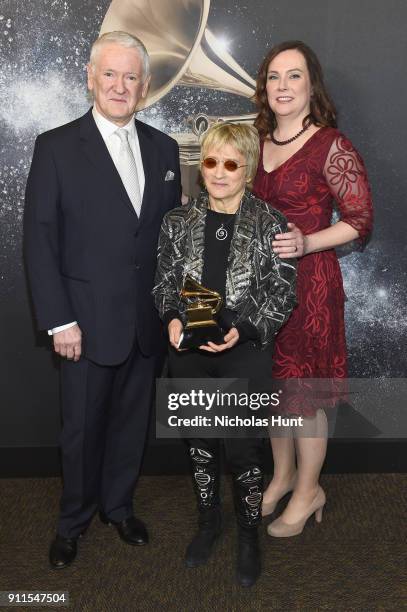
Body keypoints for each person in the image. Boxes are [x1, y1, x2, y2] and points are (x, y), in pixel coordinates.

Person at [24, 31, 181, 568]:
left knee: (131, 425)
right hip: (84, 324)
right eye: (109, 74)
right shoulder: (56, 147)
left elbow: (167, 239)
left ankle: (119, 506)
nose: (120, 85)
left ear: (144, 85)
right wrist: (58, 320)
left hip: (146, 322)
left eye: (131, 76)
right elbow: (40, 241)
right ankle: (73, 522)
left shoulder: (163, 148)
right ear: (90, 77)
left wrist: (176, 311)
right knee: (81, 430)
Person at [153, 123, 297, 586]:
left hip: (245, 351)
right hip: (190, 352)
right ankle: (209, 524)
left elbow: (282, 289)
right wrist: (172, 318)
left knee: (244, 451)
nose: (218, 172)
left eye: (231, 163)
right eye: (211, 161)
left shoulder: (271, 221)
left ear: (248, 169)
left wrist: (244, 329)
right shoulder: (177, 221)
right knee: (200, 448)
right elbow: (164, 281)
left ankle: (248, 536)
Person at [252, 40, 373, 536]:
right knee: (274, 389)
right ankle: (282, 477)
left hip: (310, 288)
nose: (283, 86)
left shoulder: (331, 144)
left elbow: (360, 220)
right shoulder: (255, 139)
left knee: (304, 392)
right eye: (274, 76)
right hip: (262, 288)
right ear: (264, 87)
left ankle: (309, 489)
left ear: (311, 85)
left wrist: (307, 243)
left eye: (294, 76)